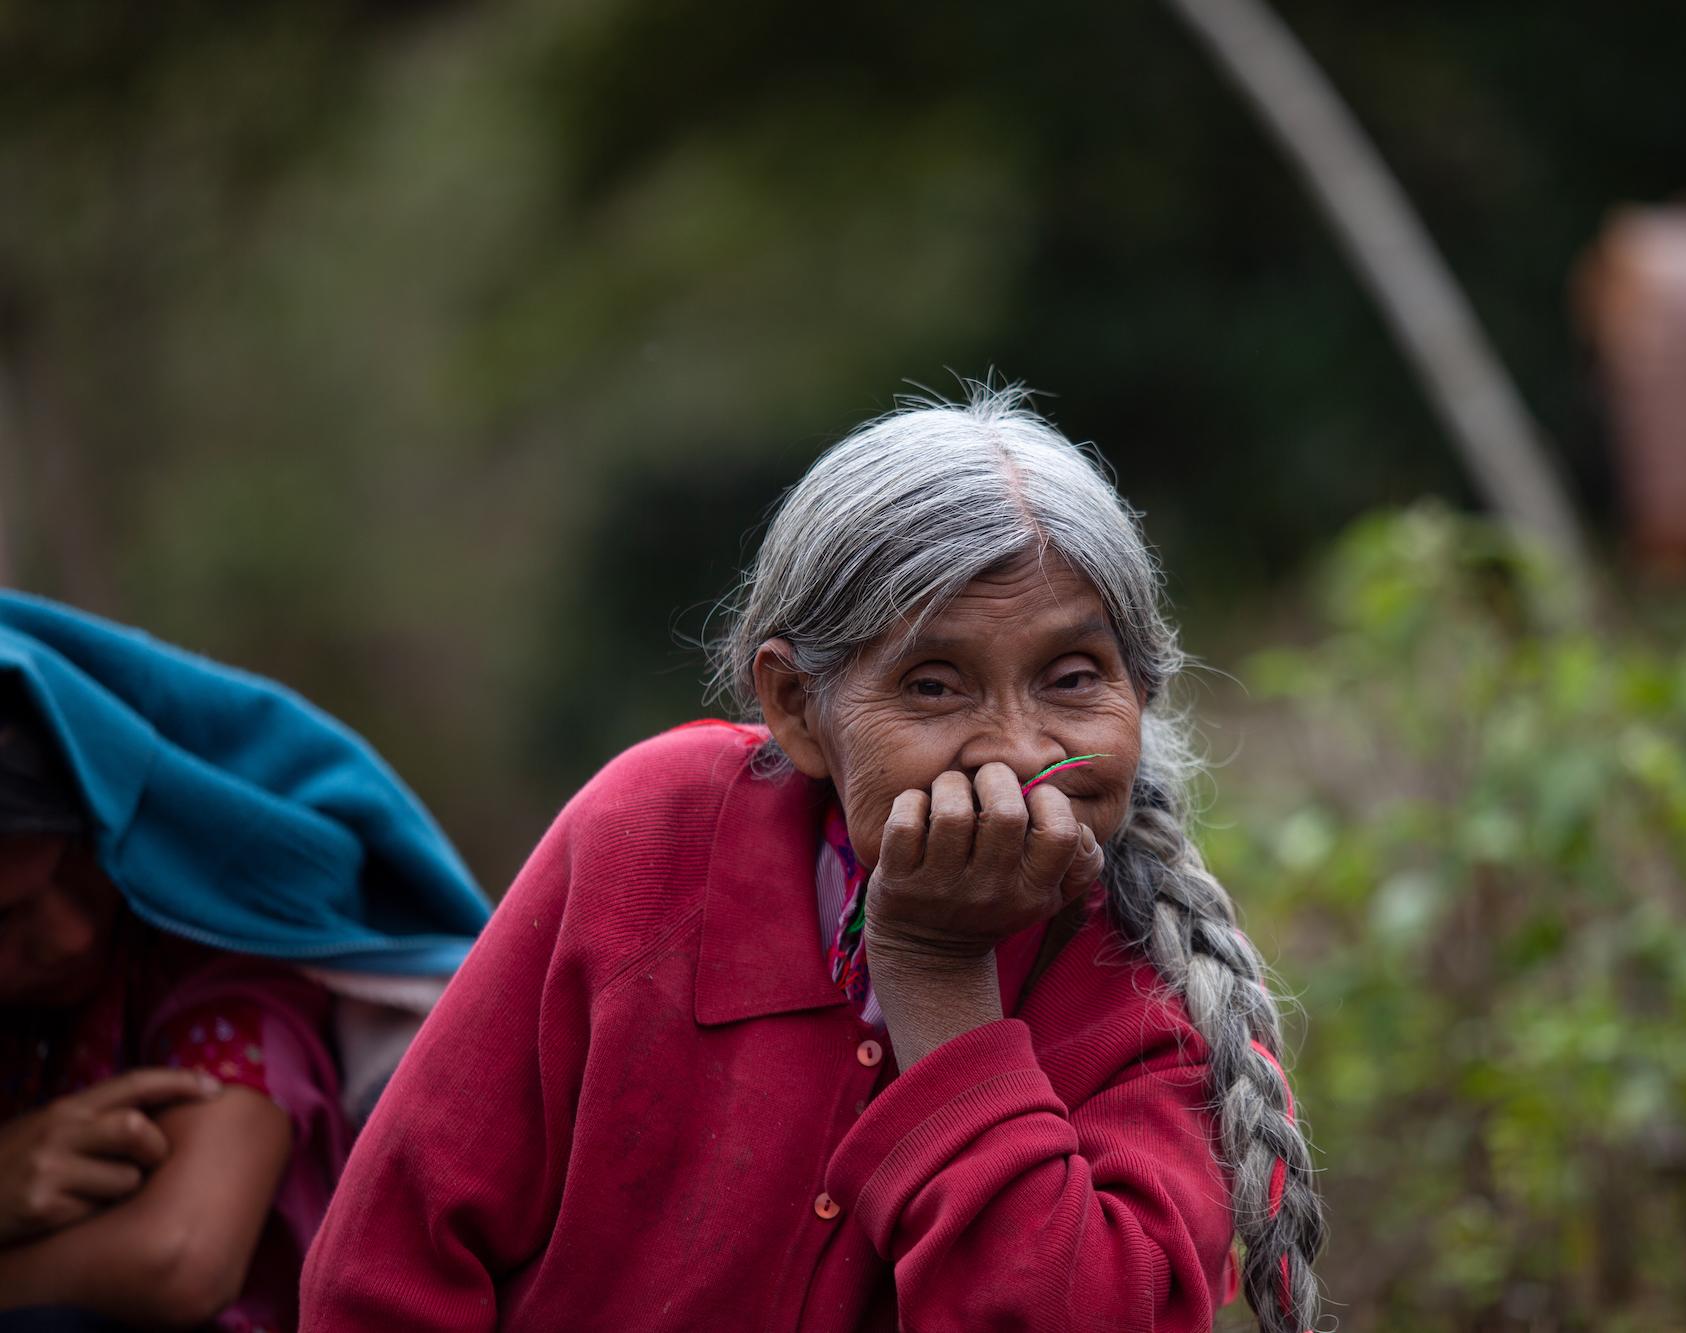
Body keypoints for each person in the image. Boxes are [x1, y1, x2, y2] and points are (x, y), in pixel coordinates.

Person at [300, 387, 1326, 1332]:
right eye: (932, 684)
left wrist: (935, 978)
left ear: (1136, 697)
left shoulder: (1139, 989)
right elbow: (386, 1264)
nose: (1016, 748)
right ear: (797, 707)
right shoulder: (653, 839)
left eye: (1070, 676)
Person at [0, 595, 491, 1331]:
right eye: (3, 919)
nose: (66, 935)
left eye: (75, 867)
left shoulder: (212, 958)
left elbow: (183, 1253)